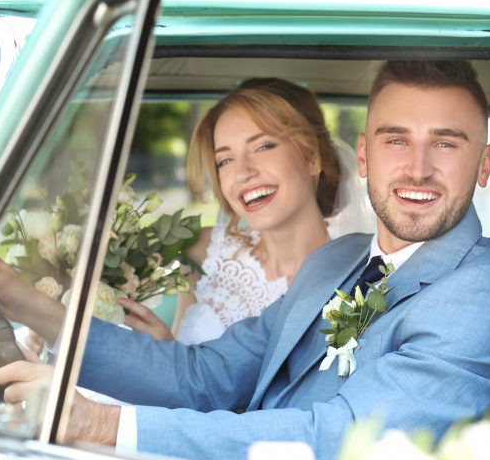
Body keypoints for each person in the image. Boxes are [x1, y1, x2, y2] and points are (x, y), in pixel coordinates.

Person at [0, 59, 490, 460]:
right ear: (363, 157)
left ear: (484, 164)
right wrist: (25, 303)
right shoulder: (337, 260)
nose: (418, 167)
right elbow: (200, 375)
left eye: (446, 144)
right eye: (396, 139)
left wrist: (102, 424)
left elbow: (336, 440)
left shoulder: (481, 293)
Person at [118, 77, 374, 344]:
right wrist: (163, 349)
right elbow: (182, 375)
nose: (242, 173)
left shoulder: (359, 281)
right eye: (225, 160)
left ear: (311, 157)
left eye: (263, 147)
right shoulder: (203, 252)